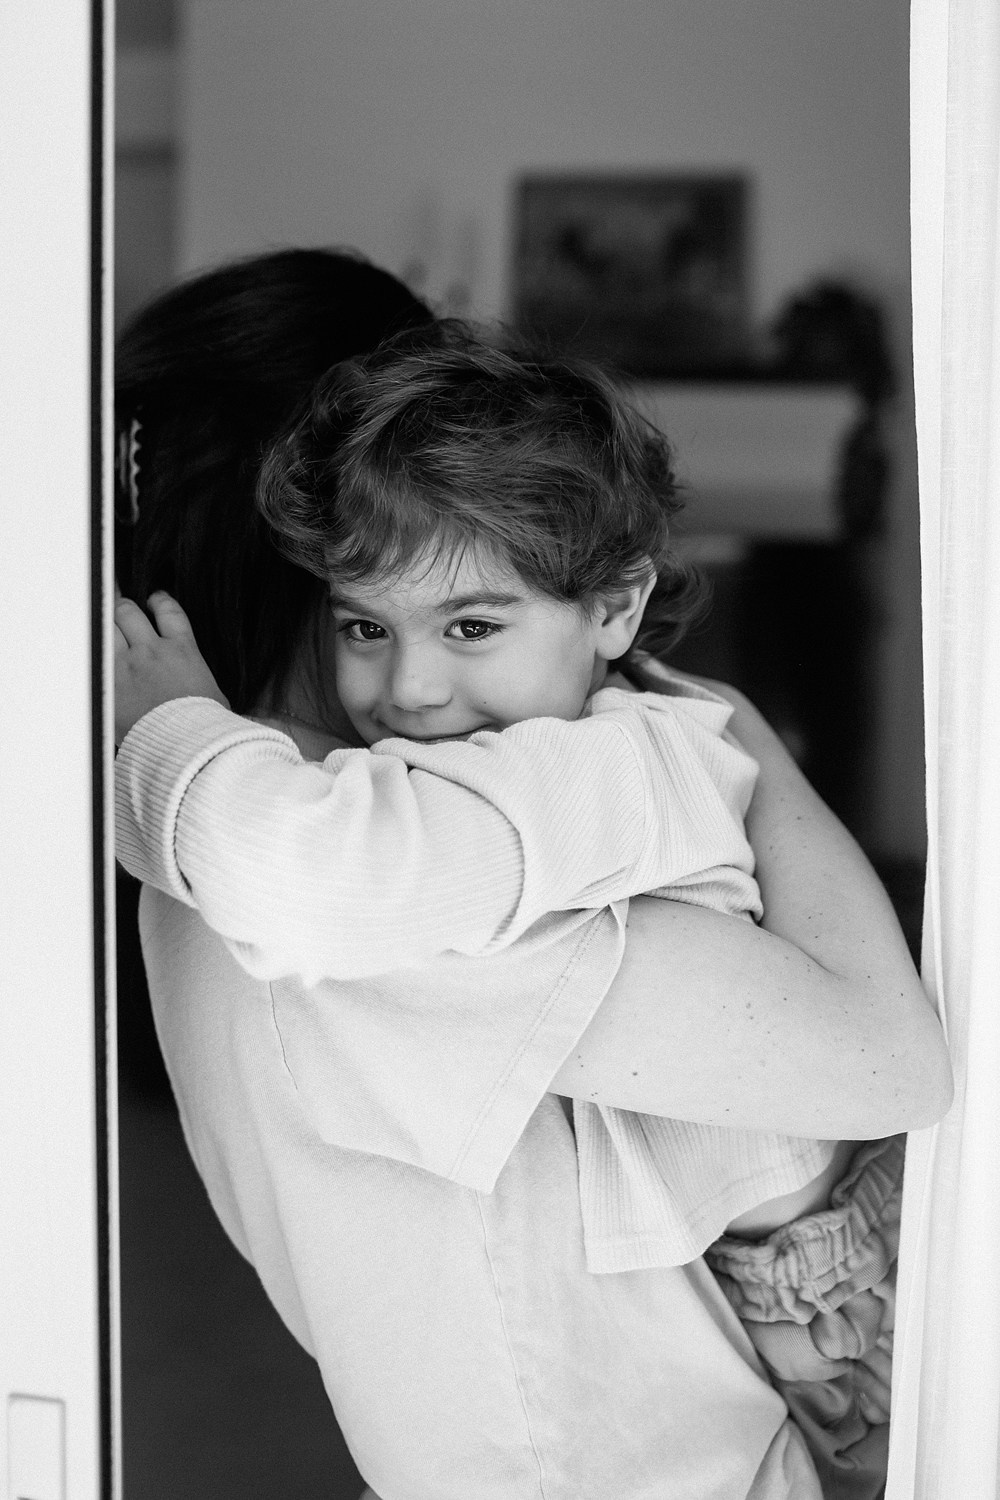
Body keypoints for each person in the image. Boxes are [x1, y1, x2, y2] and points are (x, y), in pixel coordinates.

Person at [114, 251, 951, 1499]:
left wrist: (155, 733)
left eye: (471, 623)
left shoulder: (484, 792)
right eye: (368, 621)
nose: (413, 685)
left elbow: (891, 1064)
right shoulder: (336, 834)